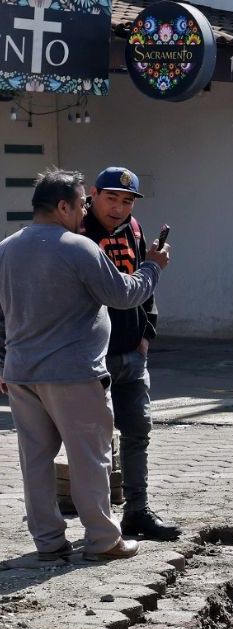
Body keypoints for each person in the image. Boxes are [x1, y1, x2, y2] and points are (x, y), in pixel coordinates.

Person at [0, 169, 168, 561]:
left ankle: (48, 543)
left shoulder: (7, 248)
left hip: (22, 373)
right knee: (91, 458)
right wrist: (154, 266)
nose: (84, 212)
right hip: (74, 373)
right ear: (62, 206)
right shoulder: (77, 247)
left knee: (36, 461)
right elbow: (124, 295)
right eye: (81, 205)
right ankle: (103, 541)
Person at [79, 166, 179, 540]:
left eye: (126, 201)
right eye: (111, 198)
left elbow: (145, 283)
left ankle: (138, 511)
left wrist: (146, 334)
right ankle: (101, 520)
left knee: (137, 432)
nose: (118, 209)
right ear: (93, 194)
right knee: (95, 441)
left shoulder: (135, 230)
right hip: (91, 357)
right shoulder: (78, 232)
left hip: (132, 353)